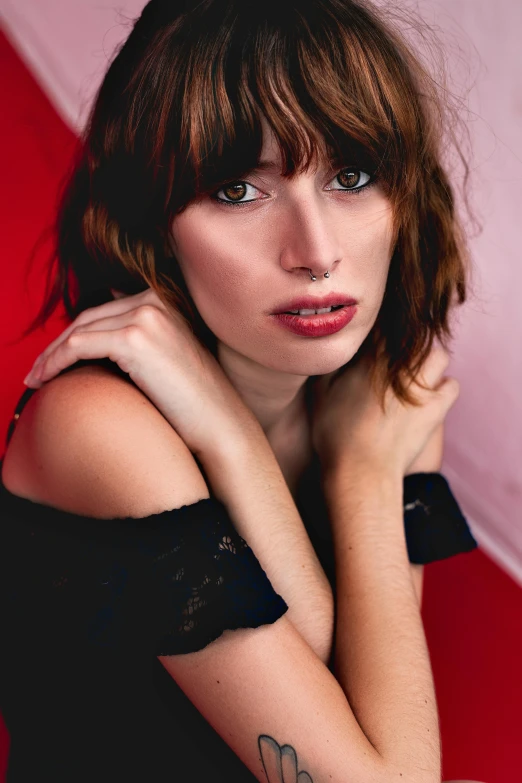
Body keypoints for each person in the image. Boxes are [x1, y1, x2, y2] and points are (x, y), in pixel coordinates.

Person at [0, 1, 483, 781]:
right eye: (236, 191)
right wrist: (357, 473)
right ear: (153, 222)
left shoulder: (372, 401)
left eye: (352, 176)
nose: (316, 251)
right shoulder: (95, 426)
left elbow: (367, 715)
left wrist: (312, 450)